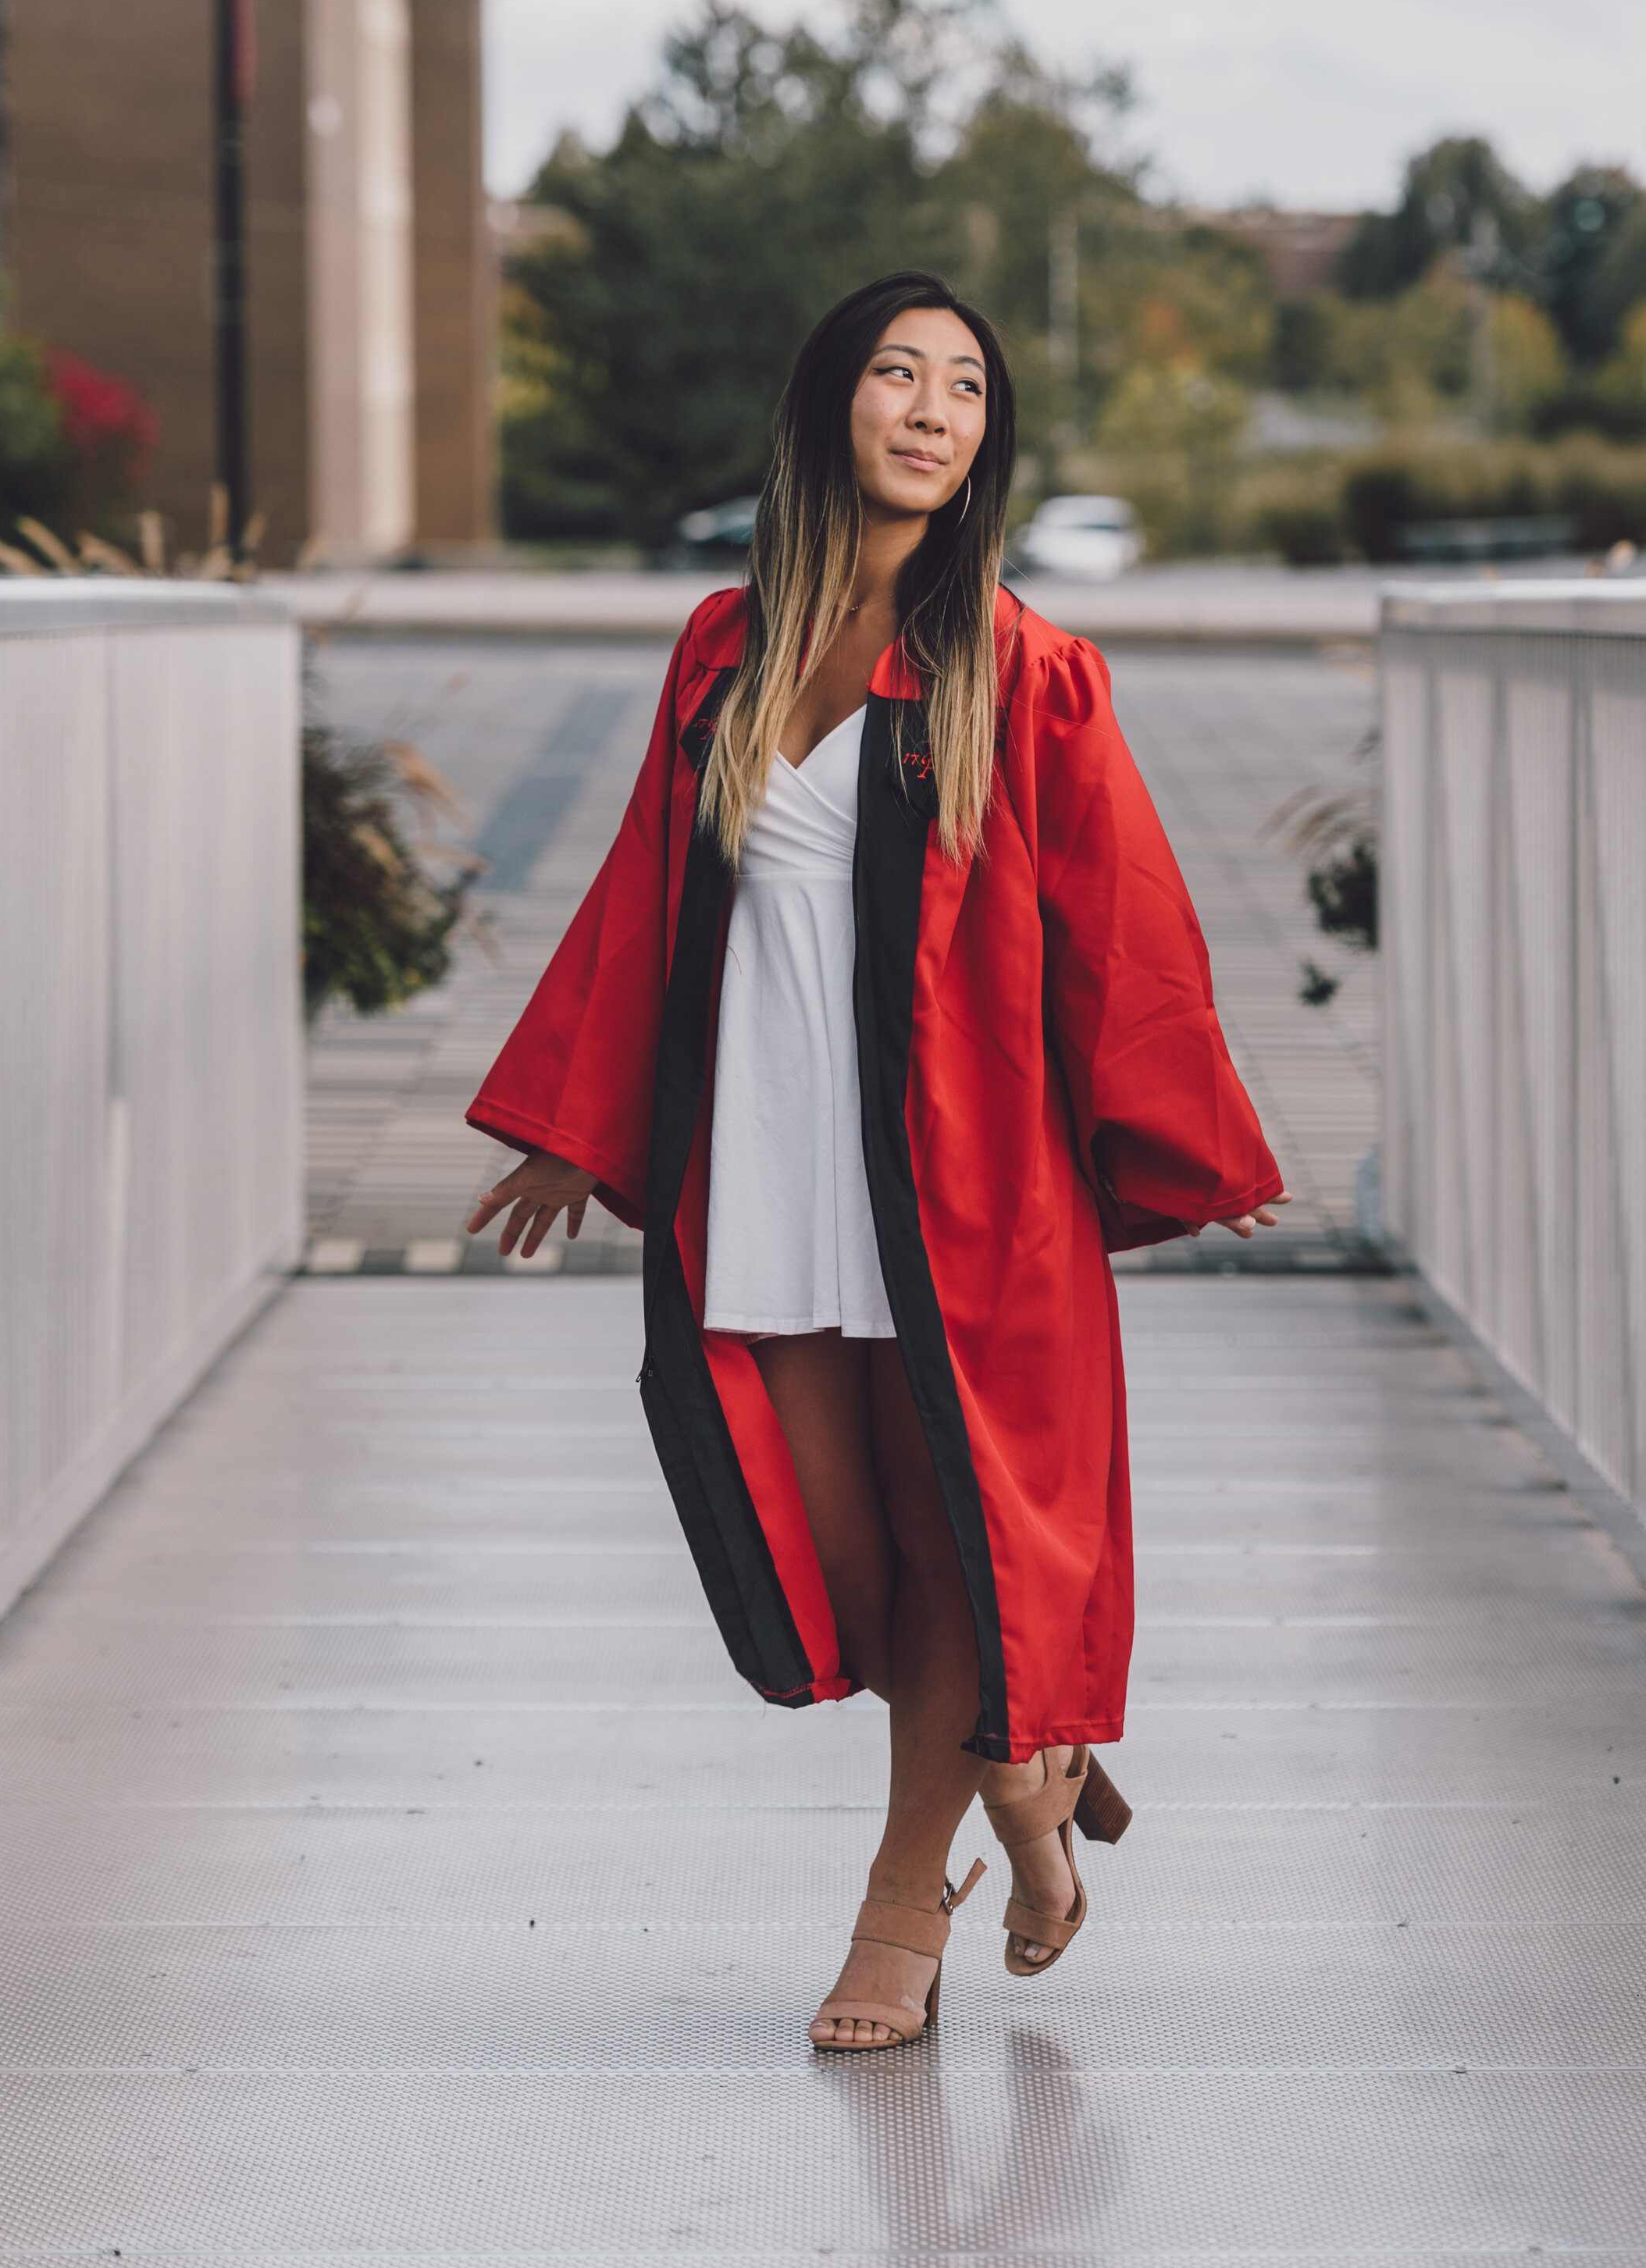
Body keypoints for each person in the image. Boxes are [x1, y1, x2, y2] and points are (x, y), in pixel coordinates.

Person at [465, 271, 1286, 2052]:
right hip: (764, 1162)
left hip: (962, 1193)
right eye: (900, 374)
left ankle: (901, 1905)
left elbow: (1121, 926)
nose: (931, 408)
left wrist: (1186, 1128)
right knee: (843, 1547)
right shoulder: (724, 646)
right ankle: (1027, 1775)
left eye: (967, 389)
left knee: (950, 1538)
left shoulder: (1023, 672)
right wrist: (562, 1115)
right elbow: (644, 897)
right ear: (832, 399)